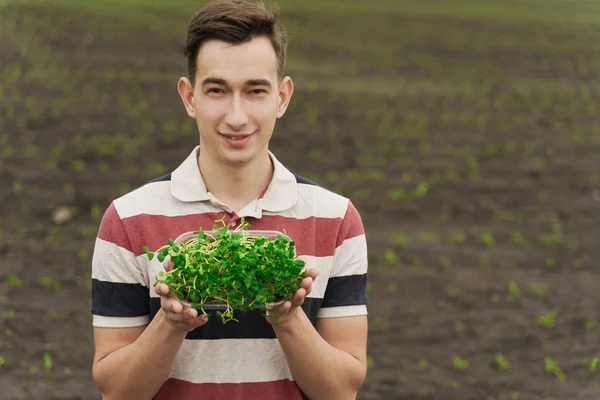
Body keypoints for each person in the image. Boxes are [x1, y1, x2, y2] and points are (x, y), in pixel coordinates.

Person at [90, 0, 369, 399]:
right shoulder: (129, 219)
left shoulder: (336, 219)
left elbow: (340, 391)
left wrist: (288, 317)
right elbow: (116, 391)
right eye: (217, 90)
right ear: (189, 98)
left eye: (255, 91)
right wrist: (170, 322)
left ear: (282, 97)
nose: (236, 116)